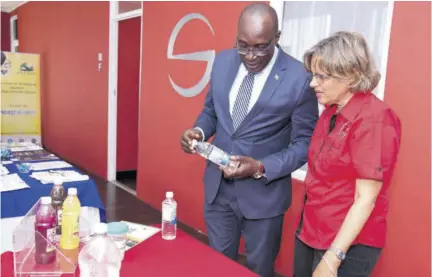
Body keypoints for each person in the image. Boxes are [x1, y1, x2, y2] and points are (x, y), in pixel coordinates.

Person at [180, 3, 318, 277]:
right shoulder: (222, 62)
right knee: (219, 266)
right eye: (243, 45)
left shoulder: (299, 79)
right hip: (218, 191)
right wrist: (198, 131)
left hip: (264, 197)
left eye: (260, 47)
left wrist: (260, 167)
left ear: (277, 38)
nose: (250, 56)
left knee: (259, 270)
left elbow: (305, 143)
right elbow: (211, 111)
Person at [293, 31, 402, 277]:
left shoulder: (375, 119)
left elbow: (366, 199)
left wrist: (333, 259)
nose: (313, 83)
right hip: (312, 230)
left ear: (350, 75)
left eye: (322, 77)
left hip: (346, 244)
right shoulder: (330, 111)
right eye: (313, 75)